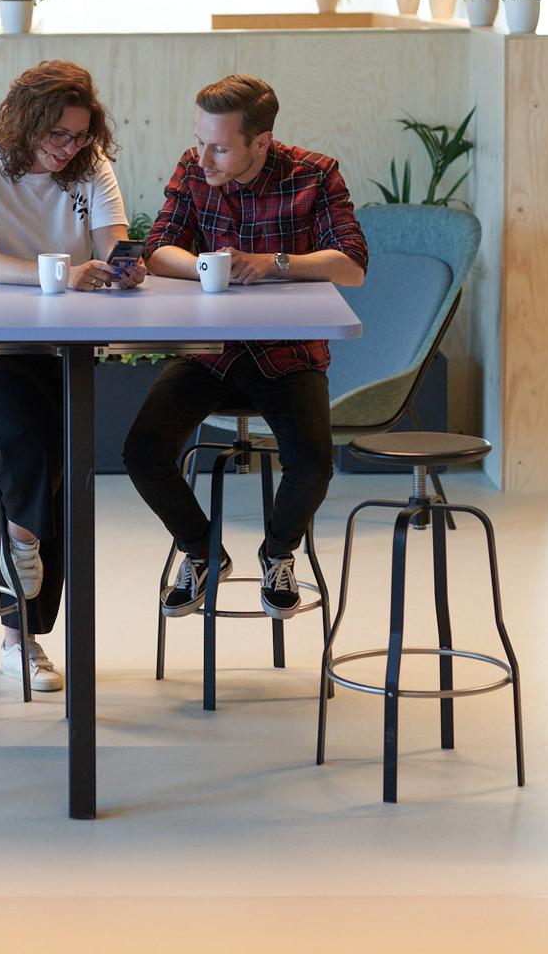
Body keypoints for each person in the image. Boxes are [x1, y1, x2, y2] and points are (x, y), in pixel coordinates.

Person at [0, 59, 141, 693]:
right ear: (25, 122)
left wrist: (119, 267)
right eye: (57, 136)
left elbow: (113, 242)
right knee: (33, 436)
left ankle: (26, 636)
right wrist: (64, 274)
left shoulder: (90, 166)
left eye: (79, 136)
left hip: (56, 345)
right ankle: (21, 590)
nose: (68, 149)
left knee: (62, 468)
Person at [124, 74, 367, 621]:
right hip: (208, 350)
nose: (204, 156)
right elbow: (160, 248)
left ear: (261, 142)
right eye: (200, 140)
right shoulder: (193, 168)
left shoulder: (314, 173)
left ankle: (278, 555)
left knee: (312, 463)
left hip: (287, 353)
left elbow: (351, 264)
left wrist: (276, 263)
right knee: (141, 451)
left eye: (220, 146)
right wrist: (210, 267)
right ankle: (203, 551)